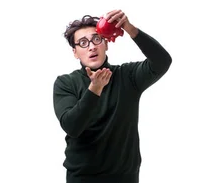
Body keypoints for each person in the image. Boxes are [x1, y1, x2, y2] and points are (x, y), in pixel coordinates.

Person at [52, 10, 172, 183]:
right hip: (83, 179)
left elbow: (162, 61)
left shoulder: (128, 76)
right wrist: (94, 90)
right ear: (75, 52)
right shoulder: (65, 83)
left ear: (106, 43)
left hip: (125, 178)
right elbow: (72, 126)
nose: (91, 46)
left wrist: (131, 30)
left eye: (96, 39)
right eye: (83, 43)